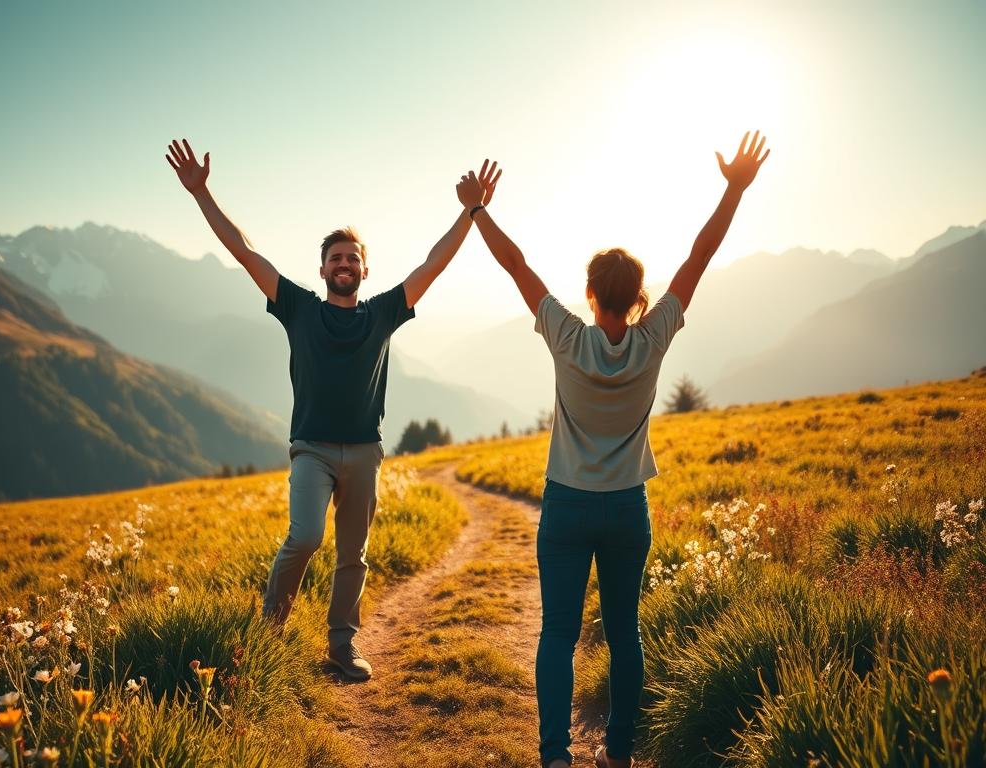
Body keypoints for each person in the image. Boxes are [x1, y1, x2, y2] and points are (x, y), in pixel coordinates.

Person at [467, 133, 770, 767]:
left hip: (567, 506)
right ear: (638, 299)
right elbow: (699, 257)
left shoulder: (566, 337)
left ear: (589, 295)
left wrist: (478, 210)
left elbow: (516, 265)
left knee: (558, 634)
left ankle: (556, 755)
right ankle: (619, 753)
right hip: (627, 508)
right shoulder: (653, 338)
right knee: (625, 634)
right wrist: (734, 190)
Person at [166, 139, 501, 680]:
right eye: (336, 258)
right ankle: (268, 633)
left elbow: (433, 264)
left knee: (354, 555)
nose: (344, 264)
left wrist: (471, 211)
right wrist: (202, 194)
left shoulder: (384, 312)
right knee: (304, 536)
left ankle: (342, 645)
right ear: (322, 269)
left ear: (364, 270)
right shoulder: (298, 307)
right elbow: (245, 252)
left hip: (365, 452)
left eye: (352, 258)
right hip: (312, 449)